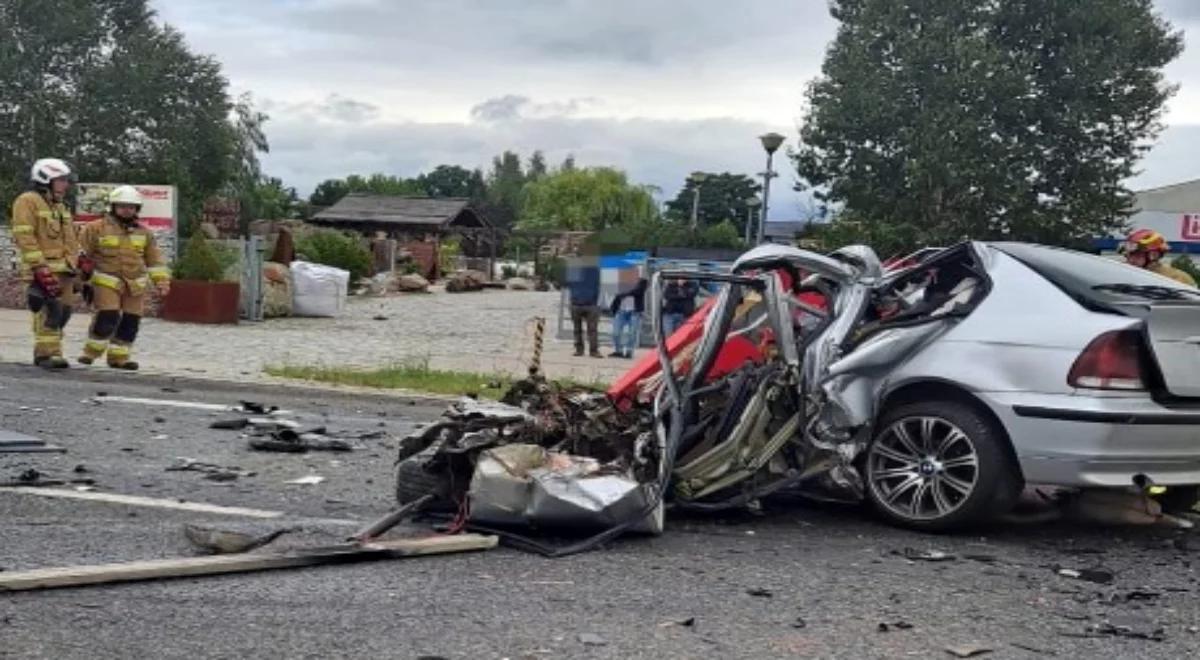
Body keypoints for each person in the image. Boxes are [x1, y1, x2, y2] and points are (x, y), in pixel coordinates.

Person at [76, 186, 171, 370]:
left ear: (137, 209)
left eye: (131, 207)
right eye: (122, 206)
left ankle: (119, 358)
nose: (127, 210)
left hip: (135, 285)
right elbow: (80, 255)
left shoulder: (144, 233)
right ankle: (90, 353)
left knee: (131, 321)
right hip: (106, 281)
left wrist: (162, 282)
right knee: (107, 316)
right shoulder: (95, 228)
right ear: (113, 207)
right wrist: (80, 280)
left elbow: (154, 260)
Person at [10, 158, 84, 369]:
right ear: (46, 179)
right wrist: (38, 266)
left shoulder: (60, 206)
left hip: (65, 271)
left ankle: (50, 351)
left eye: (66, 180)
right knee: (49, 312)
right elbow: (25, 236)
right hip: (42, 270)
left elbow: (70, 239)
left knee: (64, 312)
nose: (65, 185)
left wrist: (78, 265)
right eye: (61, 180)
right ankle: (47, 354)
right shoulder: (27, 201)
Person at [1120, 229, 1197, 287]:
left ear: (1153, 255)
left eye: (1137, 255)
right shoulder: (1122, 274)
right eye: (1129, 255)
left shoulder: (1176, 278)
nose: (1130, 260)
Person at [566, 256, 602, 357]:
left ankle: (587, 350)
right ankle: (587, 350)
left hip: (586, 303)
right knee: (586, 329)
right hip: (582, 303)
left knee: (586, 329)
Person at [608, 275, 647, 358]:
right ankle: (619, 351)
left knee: (632, 333)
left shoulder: (642, 281)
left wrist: (623, 294)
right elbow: (616, 294)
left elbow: (638, 291)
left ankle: (629, 351)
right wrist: (613, 308)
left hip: (634, 312)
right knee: (616, 332)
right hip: (621, 311)